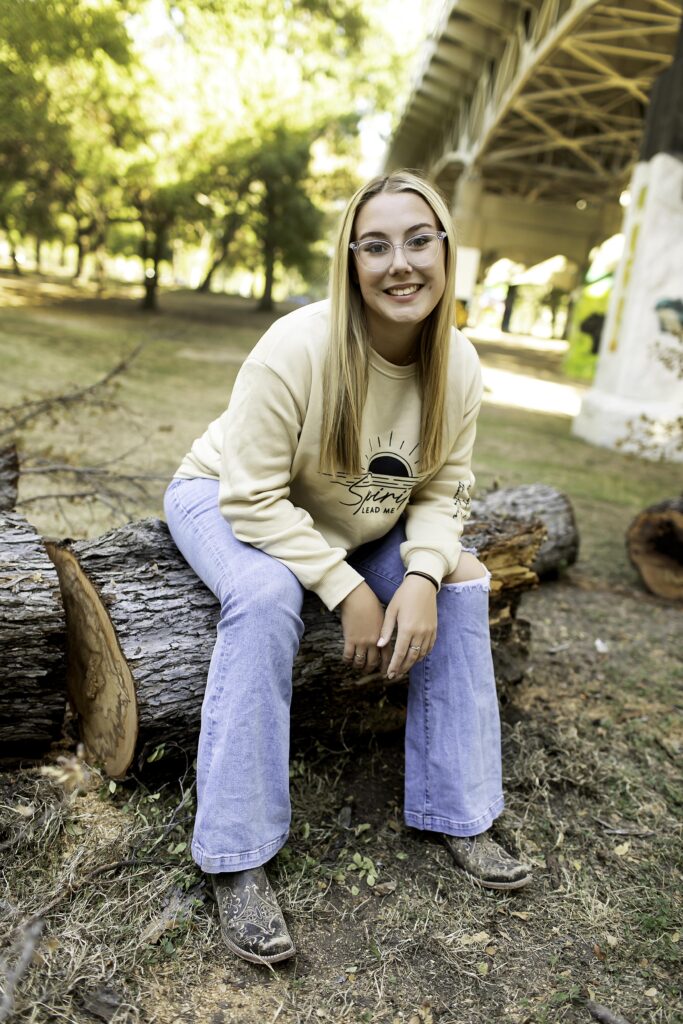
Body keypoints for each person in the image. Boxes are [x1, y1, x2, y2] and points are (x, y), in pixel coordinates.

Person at [164, 170, 531, 967]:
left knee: (467, 577)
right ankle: (237, 857)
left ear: (444, 249)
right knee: (265, 594)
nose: (399, 263)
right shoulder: (296, 347)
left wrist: (425, 577)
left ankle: (458, 809)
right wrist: (346, 588)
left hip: (353, 520)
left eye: (417, 240)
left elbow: (440, 488)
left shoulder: (458, 365)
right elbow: (252, 497)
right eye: (375, 246)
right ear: (350, 261)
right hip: (223, 497)